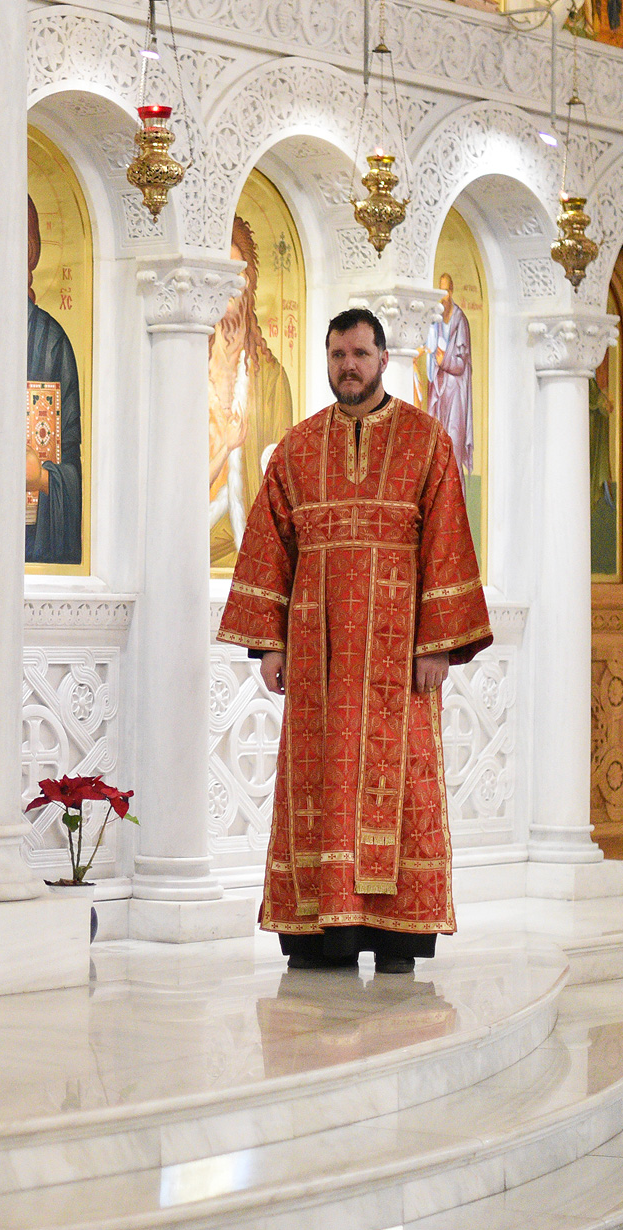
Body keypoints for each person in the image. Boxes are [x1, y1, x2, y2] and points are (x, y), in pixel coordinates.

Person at [217, 308, 491, 974]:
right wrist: (270, 644)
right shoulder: (298, 448)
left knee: (401, 785)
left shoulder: (428, 442)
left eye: (360, 353)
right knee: (318, 783)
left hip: (398, 656)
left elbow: (448, 543)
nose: (348, 365)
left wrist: (436, 644)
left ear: (383, 359)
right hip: (317, 651)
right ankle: (316, 935)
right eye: (338, 354)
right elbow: (268, 546)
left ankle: (397, 933)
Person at [209, 215, 295, 567]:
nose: (230, 288)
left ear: (250, 282)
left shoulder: (271, 377)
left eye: (238, 276)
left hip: (249, 545)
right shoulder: (181, 365)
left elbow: (286, 473)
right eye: (221, 275)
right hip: (187, 532)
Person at [25, 196, 82, 565]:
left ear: (29, 252)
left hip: (30, 533)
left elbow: (74, 472)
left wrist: (41, 478)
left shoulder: (51, 345)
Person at [424, 272, 472, 473]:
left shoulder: (460, 320)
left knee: (452, 449)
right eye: (440, 290)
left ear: (451, 292)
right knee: (436, 450)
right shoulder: (435, 319)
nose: (443, 296)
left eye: (446, 290)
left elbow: (461, 364)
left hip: (455, 393)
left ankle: (456, 501)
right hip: (439, 389)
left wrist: (445, 361)